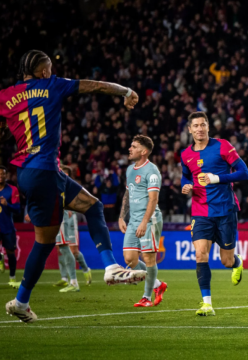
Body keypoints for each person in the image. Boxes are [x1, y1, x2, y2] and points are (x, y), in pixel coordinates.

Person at [0, 50, 146, 323]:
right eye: (50, 68)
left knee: (56, 234)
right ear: (44, 72)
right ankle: (111, 267)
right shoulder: (52, 84)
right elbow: (96, 85)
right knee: (88, 211)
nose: (51, 71)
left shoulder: (7, 95)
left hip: (24, 174)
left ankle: (21, 301)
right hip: (45, 172)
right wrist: (126, 91)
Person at [181, 112, 248, 316]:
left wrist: (216, 178)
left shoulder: (223, 146)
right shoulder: (185, 154)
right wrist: (186, 187)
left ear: (208, 127)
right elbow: (186, 177)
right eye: (196, 126)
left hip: (225, 209)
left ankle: (237, 262)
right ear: (190, 129)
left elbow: (244, 173)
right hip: (200, 211)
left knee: (225, 261)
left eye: (203, 125)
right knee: (201, 253)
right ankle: (207, 303)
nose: (200, 129)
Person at [118, 135, 168, 307]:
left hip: (150, 219)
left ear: (144, 151)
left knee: (148, 258)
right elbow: (127, 193)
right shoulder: (130, 170)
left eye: (134, 146)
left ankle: (146, 297)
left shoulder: (152, 171)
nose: (129, 149)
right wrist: (121, 216)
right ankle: (157, 284)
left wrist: (144, 222)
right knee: (130, 259)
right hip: (133, 219)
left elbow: (153, 200)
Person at [53, 166, 92, 290]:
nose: (64, 176)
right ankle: (65, 278)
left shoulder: (73, 187)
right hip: (59, 217)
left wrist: (72, 208)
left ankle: (84, 270)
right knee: (61, 248)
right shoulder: (57, 185)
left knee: (73, 251)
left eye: (66, 174)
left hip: (70, 219)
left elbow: (83, 202)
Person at [0, 166, 20, 288]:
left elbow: (18, 209)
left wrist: (7, 205)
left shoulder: (12, 190)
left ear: (6, 176)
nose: (1, 176)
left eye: (3, 174)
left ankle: (12, 278)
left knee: (10, 252)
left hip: (7, 226)